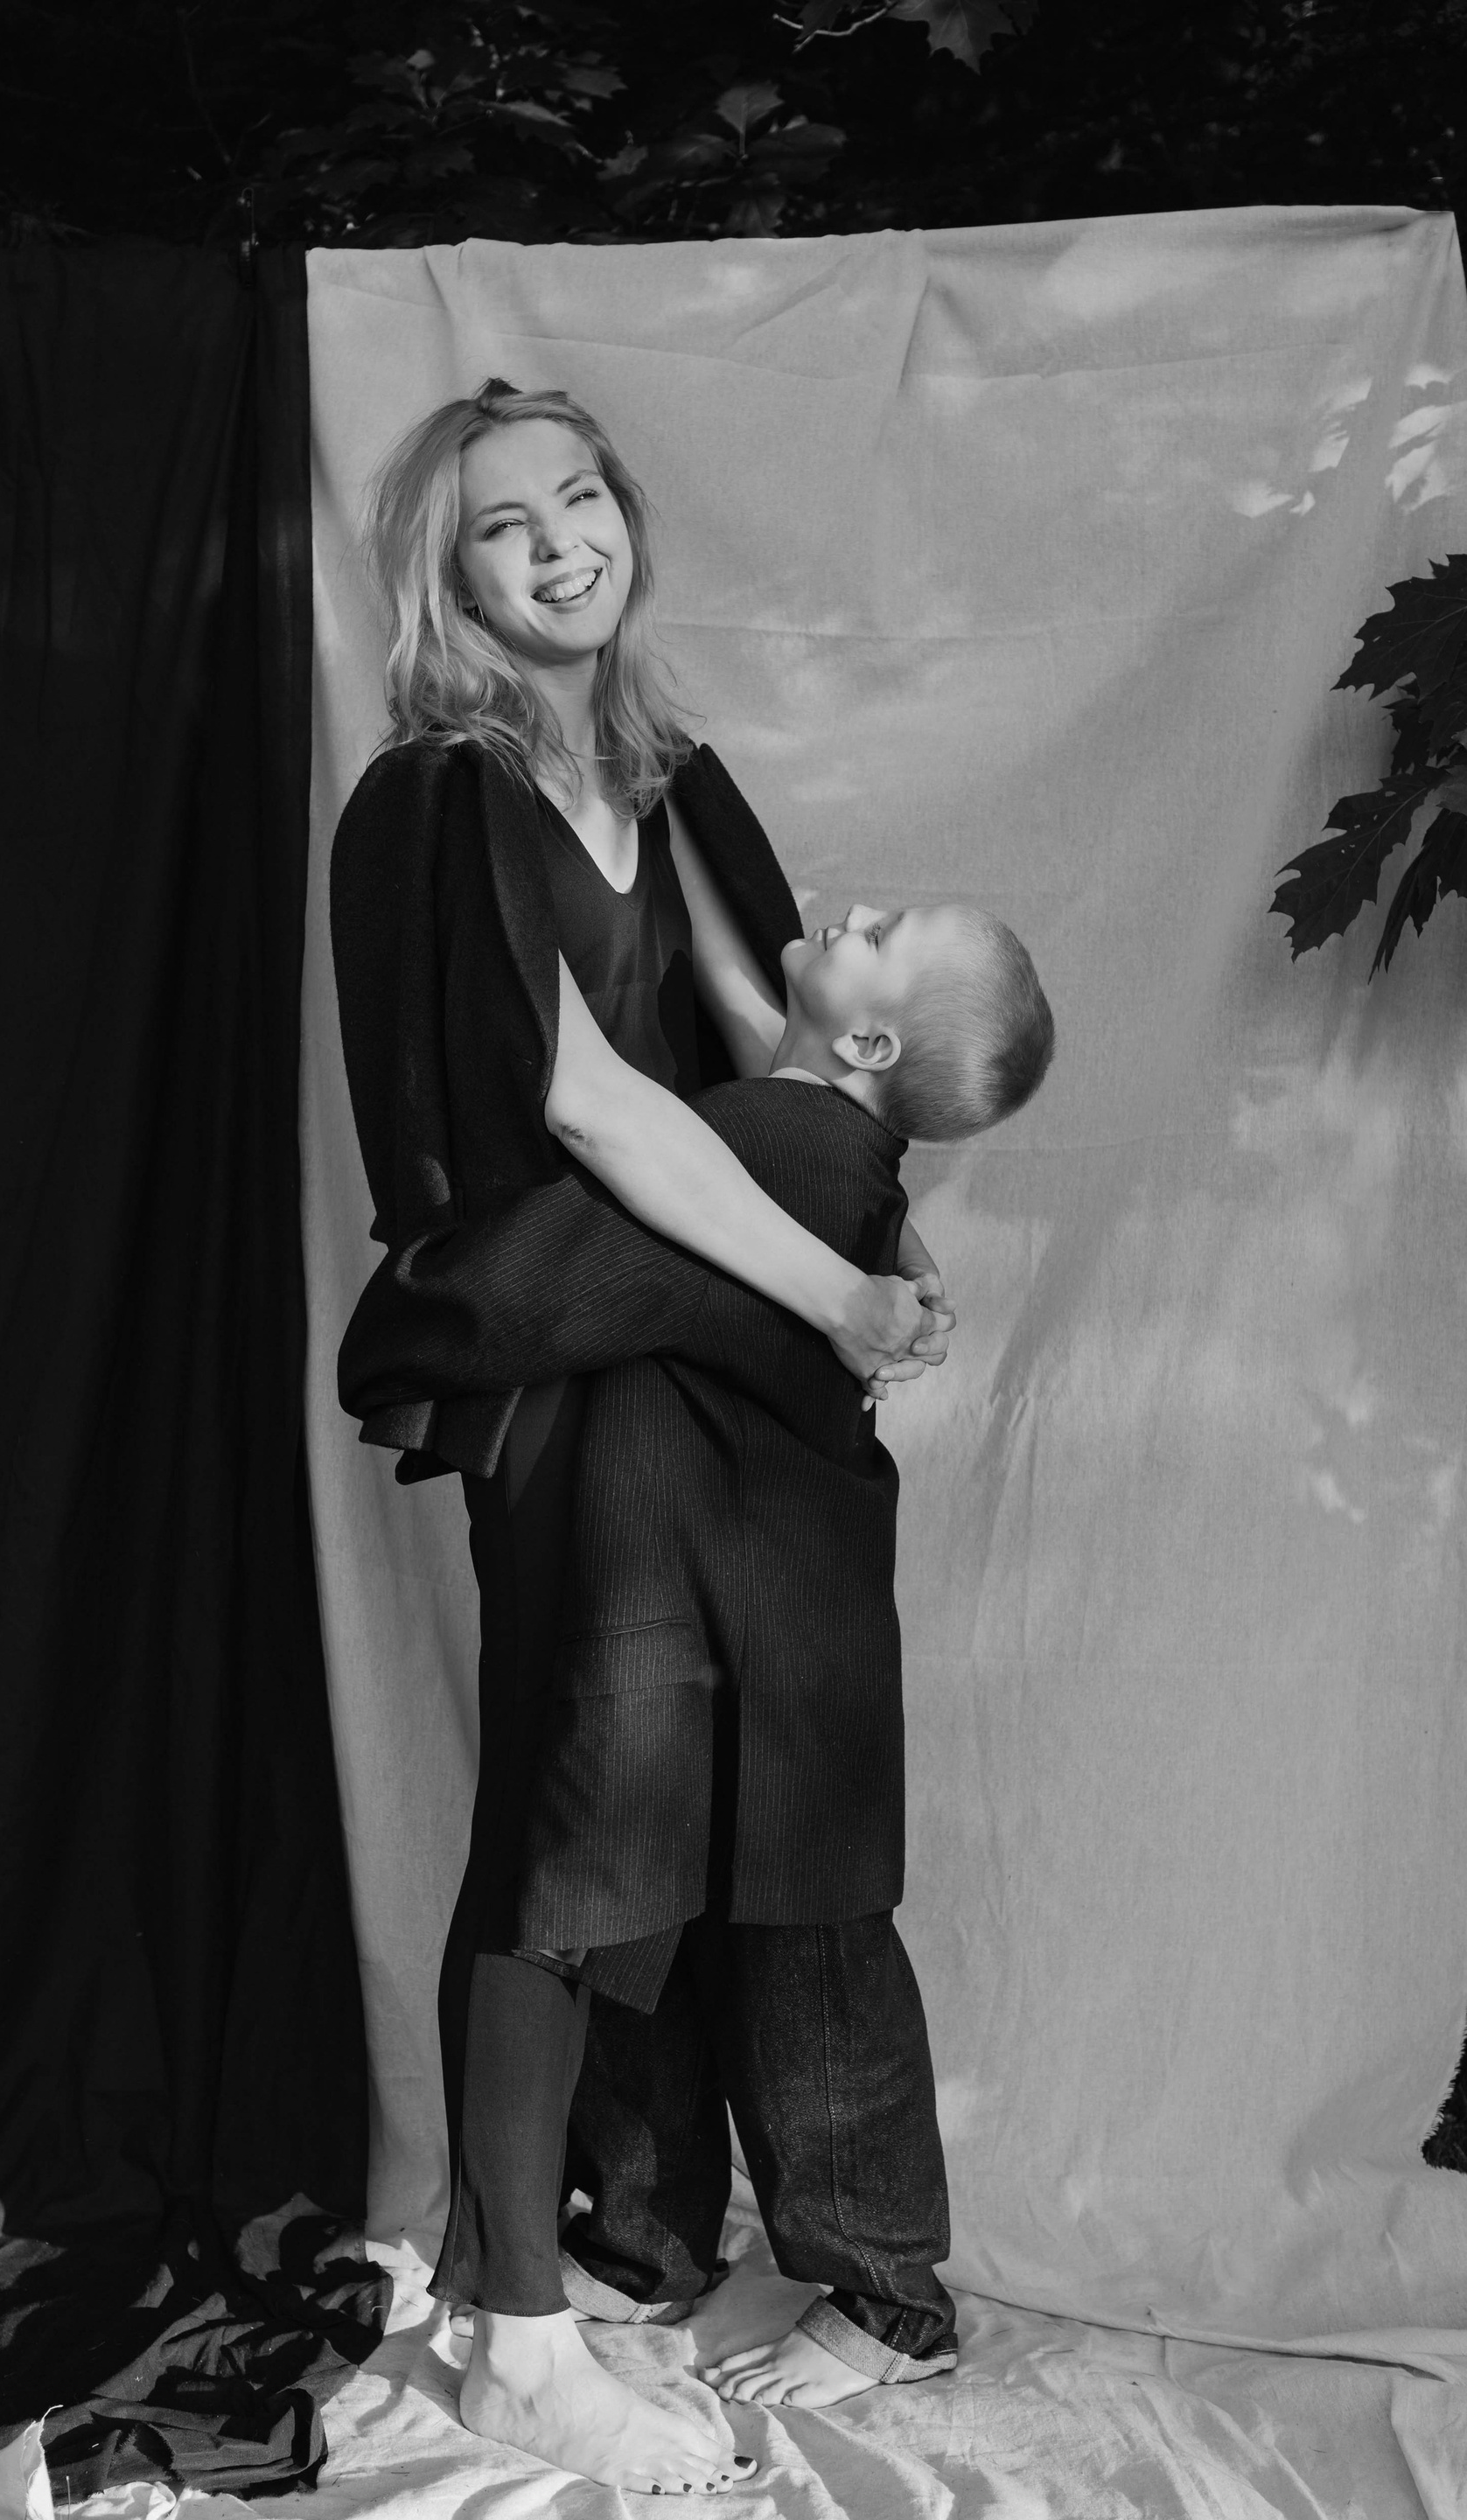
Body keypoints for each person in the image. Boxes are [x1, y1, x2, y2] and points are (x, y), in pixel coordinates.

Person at [330, 378, 952, 2494]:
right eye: (505, 526)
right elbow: (591, 1107)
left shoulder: (670, 777)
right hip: (561, 1336)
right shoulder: (438, 797)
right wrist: (835, 1294)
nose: (561, 543)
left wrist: (881, 1235)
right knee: (579, 1825)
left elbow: (784, 1061)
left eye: (581, 497)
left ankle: (689, 2247)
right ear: (448, 579)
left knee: (735, 1787)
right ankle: (519, 2312)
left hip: (698, 1335)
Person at [513, 897, 1054, 2410]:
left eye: (883, 928)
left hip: (776, 1629)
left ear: (867, 1040)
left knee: (804, 1955)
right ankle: (643, 2239)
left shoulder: (775, 1144)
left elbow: (595, 1212)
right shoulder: (814, 1151)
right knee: (652, 1920)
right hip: (717, 1594)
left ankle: (884, 2290)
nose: (847, 905)